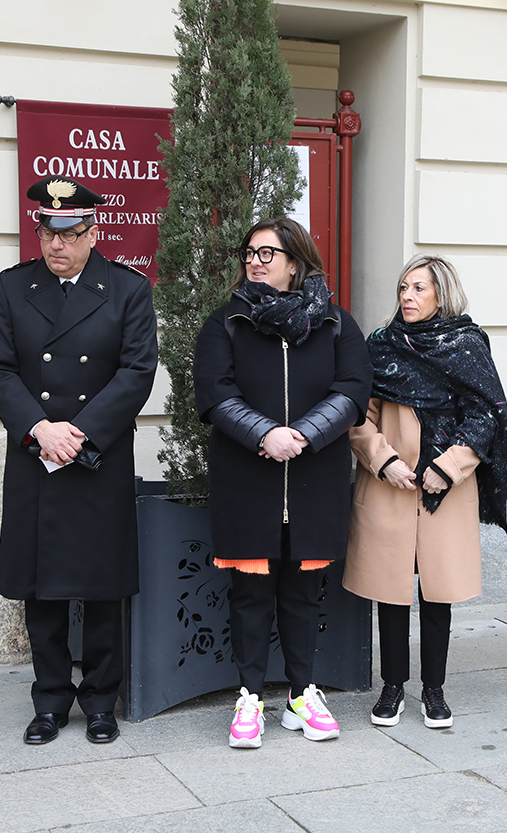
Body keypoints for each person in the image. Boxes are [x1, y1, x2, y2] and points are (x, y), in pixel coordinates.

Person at [0, 176, 158, 745]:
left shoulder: (128, 290)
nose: (56, 245)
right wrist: (39, 428)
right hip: (37, 457)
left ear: (93, 231)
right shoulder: (13, 287)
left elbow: (137, 372)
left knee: (101, 587)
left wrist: (78, 432)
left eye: (70, 234)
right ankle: (50, 701)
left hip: (95, 456)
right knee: (44, 590)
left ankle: (101, 702)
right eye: (47, 233)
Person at [193, 216, 371, 749]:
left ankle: (301, 695)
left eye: (267, 253)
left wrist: (306, 435)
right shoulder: (225, 323)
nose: (254, 261)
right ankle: (249, 698)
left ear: (295, 262)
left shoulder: (336, 324)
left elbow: (354, 388)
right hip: (248, 480)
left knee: (301, 596)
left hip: (314, 481)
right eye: (249, 252)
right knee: (249, 595)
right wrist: (265, 434)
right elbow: (215, 392)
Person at [344, 255, 507, 730]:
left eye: (418, 288)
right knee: (391, 590)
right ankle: (393, 686)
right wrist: (383, 461)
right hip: (390, 485)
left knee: (437, 592)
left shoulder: (465, 345)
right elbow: (360, 415)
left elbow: (485, 415)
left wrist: (449, 466)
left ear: (441, 294)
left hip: (447, 487)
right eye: (403, 287)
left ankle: (434, 689)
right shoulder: (380, 346)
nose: (407, 297)